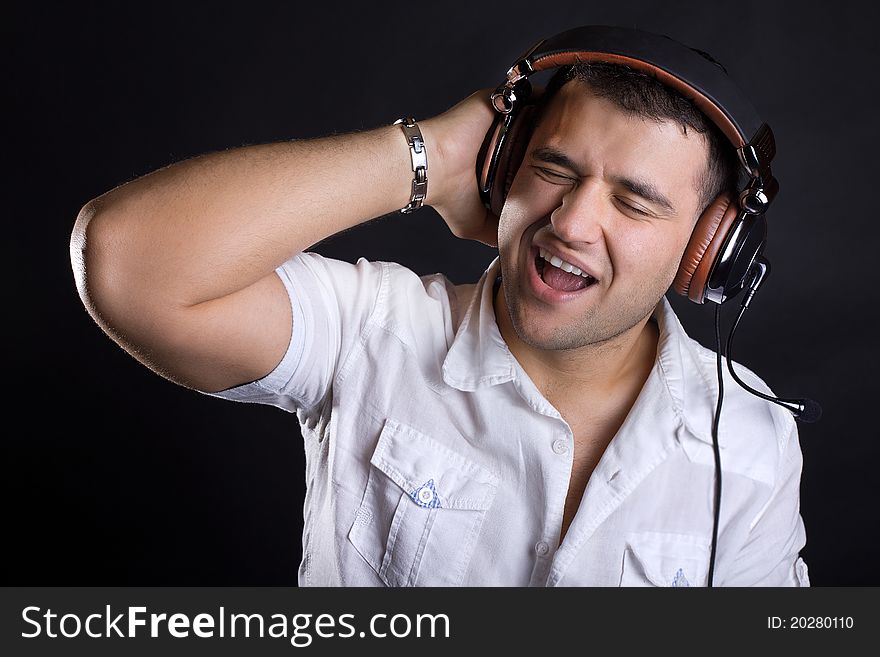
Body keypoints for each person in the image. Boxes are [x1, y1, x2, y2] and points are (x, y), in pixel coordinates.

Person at [70, 27, 809, 587]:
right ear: (503, 168)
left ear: (707, 254)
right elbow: (125, 262)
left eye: (633, 202)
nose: (573, 223)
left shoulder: (751, 440)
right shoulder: (373, 330)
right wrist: (430, 157)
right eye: (552, 168)